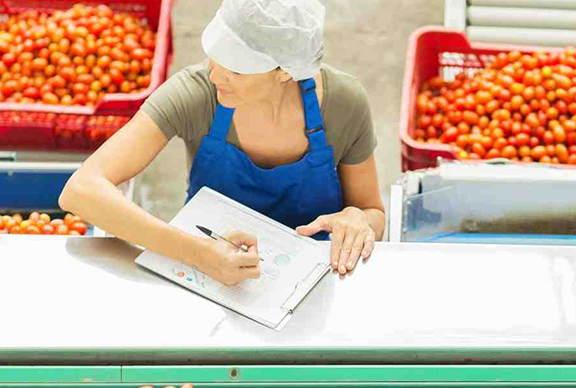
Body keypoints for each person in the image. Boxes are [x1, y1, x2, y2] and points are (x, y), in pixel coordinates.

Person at [61, 0, 384, 286]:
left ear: (286, 72)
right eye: (215, 57)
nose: (216, 75)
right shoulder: (198, 93)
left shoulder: (343, 103)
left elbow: (373, 213)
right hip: (207, 277)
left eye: (236, 70)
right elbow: (82, 190)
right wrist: (197, 252)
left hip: (317, 279)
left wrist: (357, 220)